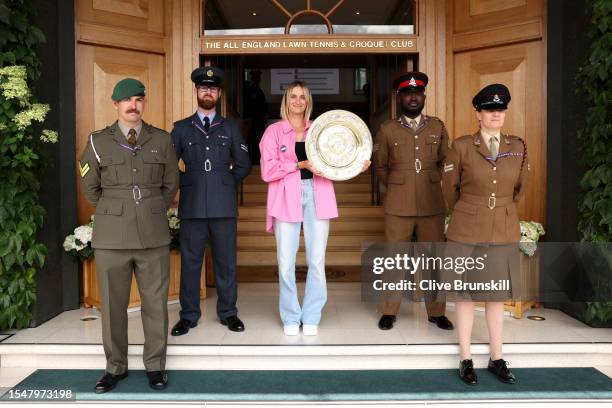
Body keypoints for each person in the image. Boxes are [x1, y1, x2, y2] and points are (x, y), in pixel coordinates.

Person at [79, 78, 179, 392]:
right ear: (116, 104)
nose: (132, 105)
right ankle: (115, 367)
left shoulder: (161, 140)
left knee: (155, 305)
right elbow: (89, 188)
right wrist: (116, 208)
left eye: (138, 99)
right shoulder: (97, 141)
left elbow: (170, 185)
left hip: (153, 236)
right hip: (111, 237)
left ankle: (155, 366)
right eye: (126, 100)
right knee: (112, 307)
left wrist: (148, 208)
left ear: (143, 103)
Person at [259, 81, 369, 336]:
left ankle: (311, 315)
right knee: (285, 262)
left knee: (316, 261)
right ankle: (290, 316)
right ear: (286, 101)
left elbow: (339, 160)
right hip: (286, 194)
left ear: (308, 102)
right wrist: (298, 166)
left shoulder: (322, 129)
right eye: (293, 97)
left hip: (317, 194)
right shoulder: (273, 132)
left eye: (303, 97)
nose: (298, 101)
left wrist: (356, 164)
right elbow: (267, 170)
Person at [442, 83, 529, 385]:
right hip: (466, 226)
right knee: (464, 295)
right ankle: (465, 357)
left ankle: (496, 357)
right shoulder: (462, 146)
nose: (496, 114)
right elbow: (449, 189)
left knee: (496, 294)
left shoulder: (517, 146)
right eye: (490, 109)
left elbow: (518, 189)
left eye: (500, 109)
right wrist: (472, 210)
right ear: (478, 113)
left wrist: (496, 209)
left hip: (503, 226)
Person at [170, 66, 251, 336]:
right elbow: (169, 165)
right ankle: (189, 315)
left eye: (213, 89)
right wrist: (187, 182)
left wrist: (224, 182)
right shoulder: (181, 128)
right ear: (196, 91)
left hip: (223, 206)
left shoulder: (230, 127)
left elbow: (243, 164)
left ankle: (229, 313)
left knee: (226, 263)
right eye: (203, 88)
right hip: (191, 205)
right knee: (190, 263)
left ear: (218, 94)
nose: (208, 92)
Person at [374, 72, 454, 331]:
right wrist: (400, 184)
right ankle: (389, 311)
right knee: (394, 260)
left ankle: (436, 312)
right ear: (400, 97)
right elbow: (380, 166)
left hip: (432, 203)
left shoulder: (437, 127)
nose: (413, 97)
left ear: (424, 97)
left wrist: (429, 180)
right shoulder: (388, 129)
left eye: (417, 93)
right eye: (408, 93)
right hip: (398, 204)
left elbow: (446, 162)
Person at [244, 69, 268, 164]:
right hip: (251, 121)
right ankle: (253, 162)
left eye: (258, 78)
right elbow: (247, 105)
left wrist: (265, 114)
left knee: (259, 142)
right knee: (251, 142)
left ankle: (258, 162)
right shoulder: (248, 90)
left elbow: (263, 105)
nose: (257, 80)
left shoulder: (259, 91)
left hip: (259, 121)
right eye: (255, 78)